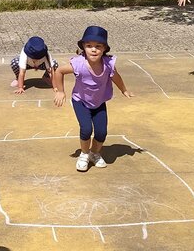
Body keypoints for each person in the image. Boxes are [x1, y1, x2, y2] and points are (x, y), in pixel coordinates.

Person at [52, 26, 133, 172]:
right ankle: (84, 154)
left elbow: (116, 77)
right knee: (86, 129)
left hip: (99, 102)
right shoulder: (79, 64)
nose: (93, 50)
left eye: (98, 46)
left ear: (104, 49)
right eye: (89, 46)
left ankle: (94, 153)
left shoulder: (108, 64)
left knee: (101, 132)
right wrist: (60, 91)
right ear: (83, 47)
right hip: (81, 101)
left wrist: (124, 89)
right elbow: (59, 71)